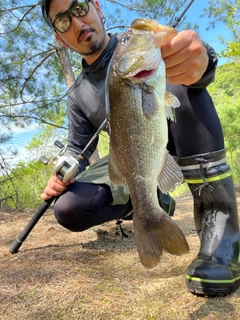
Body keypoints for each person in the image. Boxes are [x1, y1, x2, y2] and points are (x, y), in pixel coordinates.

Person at [41, 0, 240, 296]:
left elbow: (191, 53)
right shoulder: (78, 93)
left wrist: (203, 61)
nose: (77, 23)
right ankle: (151, 205)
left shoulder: (140, 43)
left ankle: (222, 236)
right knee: (69, 209)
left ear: (97, 7)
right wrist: (62, 170)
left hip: (179, 142)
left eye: (80, 7)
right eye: (62, 21)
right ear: (60, 38)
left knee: (182, 84)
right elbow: (77, 147)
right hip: (134, 157)